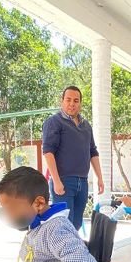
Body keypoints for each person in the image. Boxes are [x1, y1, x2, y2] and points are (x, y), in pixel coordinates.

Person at [42, 86, 105, 231]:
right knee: (64, 225)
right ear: (62, 101)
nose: (72, 104)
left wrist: (100, 178)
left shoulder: (86, 125)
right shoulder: (54, 122)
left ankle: (73, 252)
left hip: (82, 182)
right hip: (63, 181)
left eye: (76, 100)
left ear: (80, 103)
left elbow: (93, 151)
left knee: (76, 224)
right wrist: (56, 180)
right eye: (68, 100)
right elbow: (48, 151)